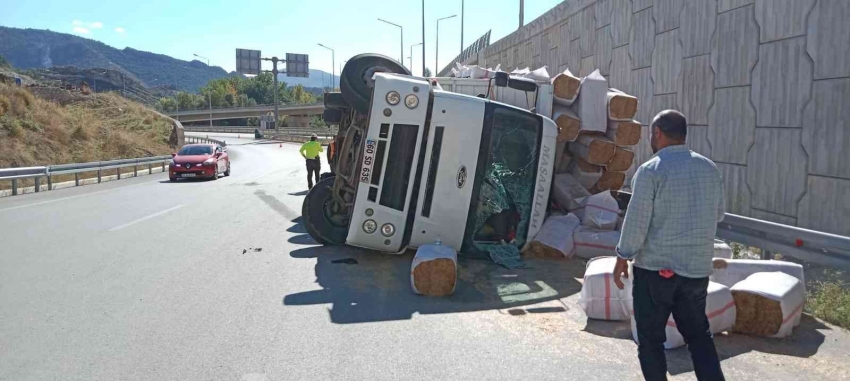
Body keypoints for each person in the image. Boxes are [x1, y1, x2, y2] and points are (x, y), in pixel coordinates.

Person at [613, 110, 726, 381]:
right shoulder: (709, 168)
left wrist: (622, 257)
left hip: (655, 272)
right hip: (696, 272)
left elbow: (637, 222)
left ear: (658, 133)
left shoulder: (651, 170)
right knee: (699, 337)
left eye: (652, 133)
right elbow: (719, 214)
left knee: (651, 341)